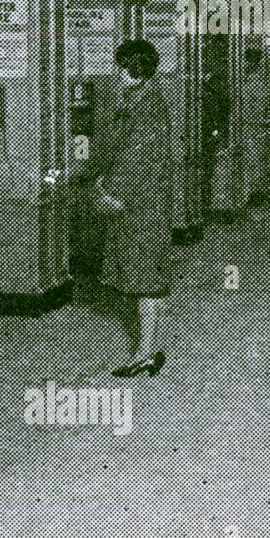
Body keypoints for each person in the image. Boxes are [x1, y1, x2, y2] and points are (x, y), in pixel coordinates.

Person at [94, 40, 175, 378]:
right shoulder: (142, 100)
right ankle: (150, 348)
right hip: (146, 204)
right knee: (148, 279)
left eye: (120, 67)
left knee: (143, 279)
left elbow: (139, 163)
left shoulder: (147, 110)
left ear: (130, 69)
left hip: (139, 208)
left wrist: (112, 194)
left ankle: (144, 352)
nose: (116, 72)